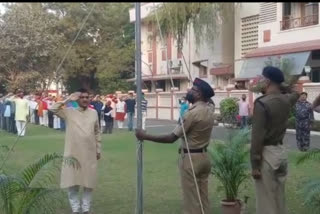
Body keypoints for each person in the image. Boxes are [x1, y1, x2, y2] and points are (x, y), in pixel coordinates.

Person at [136, 78, 215, 214]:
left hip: (191, 159)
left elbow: (171, 138)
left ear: (199, 95)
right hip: (204, 158)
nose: (189, 90)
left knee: (192, 202)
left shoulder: (191, 114)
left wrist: (145, 136)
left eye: (193, 89)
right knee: (203, 199)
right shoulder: (209, 110)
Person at [250, 66, 300, 214]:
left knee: (266, 203)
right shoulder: (286, 100)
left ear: (267, 80)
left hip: (266, 155)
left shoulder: (262, 104)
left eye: (263, 78)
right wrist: (282, 85)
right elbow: (296, 93)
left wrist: (255, 164)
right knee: (279, 199)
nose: (260, 81)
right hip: (280, 152)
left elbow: (257, 137)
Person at [49, 88, 101, 214]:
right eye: (82, 97)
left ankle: (86, 209)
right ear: (77, 99)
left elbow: (97, 132)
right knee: (73, 182)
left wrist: (98, 149)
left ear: (89, 99)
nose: (84, 99)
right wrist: (68, 99)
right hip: (73, 153)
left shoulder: (94, 113)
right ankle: (76, 209)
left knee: (88, 183)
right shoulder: (69, 112)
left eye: (87, 97)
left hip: (89, 153)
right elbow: (52, 109)